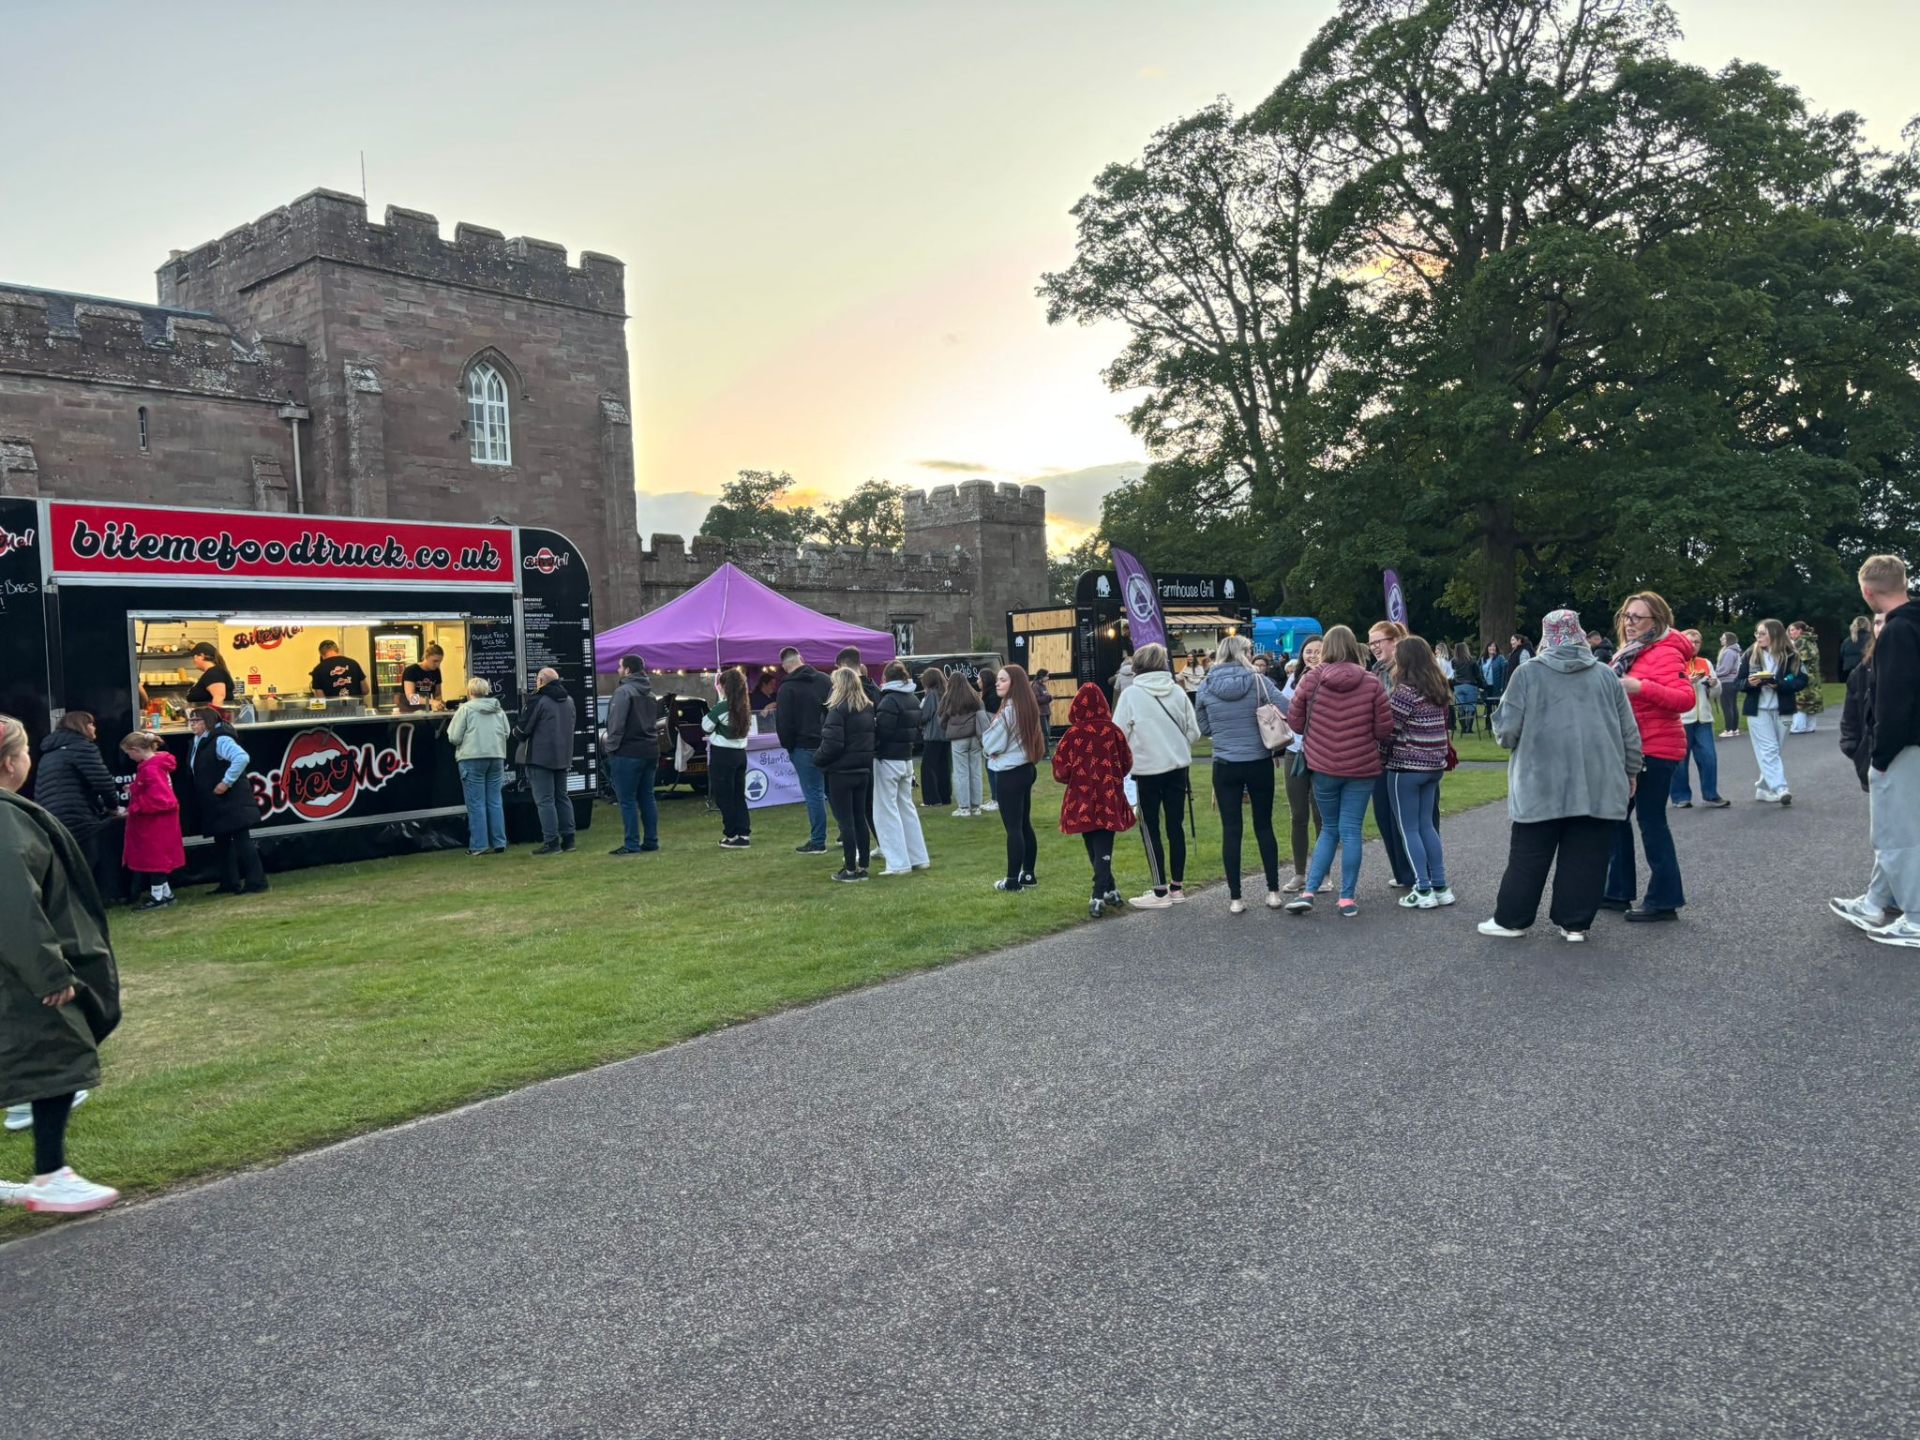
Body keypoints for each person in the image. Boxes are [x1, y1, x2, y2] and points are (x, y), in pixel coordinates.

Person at [0, 713, 123, 1215]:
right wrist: (50, 972)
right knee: (55, 1054)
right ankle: (51, 1173)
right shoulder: (7, 818)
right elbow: (13, 902)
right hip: (20, 974)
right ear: (11, 763)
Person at [1478, 612, 1643, 942]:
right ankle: (1575, 923)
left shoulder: (1527, 674)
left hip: (1541, 781)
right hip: (1598, 778)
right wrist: (1632, 770)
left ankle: (1512, 920)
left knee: (1528, 855)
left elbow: (1507, 732)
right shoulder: (1605, 676)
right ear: (1580, 633)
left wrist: (1503, 729)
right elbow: (1629, 731)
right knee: (1588, 855)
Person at [1832, 555, 1920, 946]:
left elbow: (1894, 699)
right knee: (1899, 829)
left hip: (1904, 744)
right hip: (1913, 742)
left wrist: (1879, 755)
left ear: (1867, 591)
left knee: (1896, 834)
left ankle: (1916, 918)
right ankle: (1874, 901)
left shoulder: (1898, 631)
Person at [1284, 625, 1392, 918]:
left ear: (1328, 647)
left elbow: (1294, 724)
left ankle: (1309, 891)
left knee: (1329, 829)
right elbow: (1384, 729)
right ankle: (1346, 897)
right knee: (1351, 830)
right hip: (1361, 766)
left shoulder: (1311, 680)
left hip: (1324, 767)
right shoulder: (1371, 682)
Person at [1600, 591, 1694, 922]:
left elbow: (1685, 699)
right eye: (1626, 616)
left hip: (1656, 749)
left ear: (1658, 621)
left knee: (1651, 822)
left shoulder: (1665, 653)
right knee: (1615, 818)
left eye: (1638, 618)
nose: (1629, 623)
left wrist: (1640, 687)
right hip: (1633, 747)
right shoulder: (1631, 652)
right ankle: (1617, 891)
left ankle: (1664, 900)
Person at [1194, 634, 1285, 913]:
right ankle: (1272, 891)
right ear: (1245, 652)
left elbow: (1204, 728)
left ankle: (1236, 898)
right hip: (1258, 760)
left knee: (1231, 830)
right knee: (1264, 826)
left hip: (1224, 764)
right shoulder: (1259, 681)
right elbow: (1289, 708)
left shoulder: (1206, 685)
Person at [1111, 643, 1201, 908]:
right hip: (1177, 768)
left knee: (1151, 829)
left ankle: (1160, 889)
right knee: (1176, 826)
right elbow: (1194, 732)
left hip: (1147, 769)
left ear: (1137, 665)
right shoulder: (1176, 691)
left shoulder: (1131, 695)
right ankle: (1177, 887)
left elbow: (1119, 735)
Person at [1384, 636, 1455, 909]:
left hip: (1406, 767)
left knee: (1409, 829)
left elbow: (1390, 730)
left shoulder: (1404, 692)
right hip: (1434, 766)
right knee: (1427, 826)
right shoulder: (1438, 689)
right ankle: (1440, 884)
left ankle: (1422, 888)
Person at [1053, 682, 1134, 918]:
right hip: (1109, 794)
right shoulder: (1114, 732)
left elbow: (1059, 771)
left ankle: (1098, 894)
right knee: (1103, 844)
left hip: (1082, 797)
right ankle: (1110, 890)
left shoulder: (1073, 735)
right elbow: (1127, 762)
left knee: (1092, 843)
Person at [34, 711, 125, 904]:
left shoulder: (50, 751)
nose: (94, 728)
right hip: (76, 815)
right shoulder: (82, 748)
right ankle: (93, 901)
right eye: (91, 724)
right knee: (88, 860)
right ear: (81, 726)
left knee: (67, 861)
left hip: (53, 814)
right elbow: (103, 782)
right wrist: (113, 807)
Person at [982, 664, 1048, 892]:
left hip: (1010, 772)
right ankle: (1027, 874)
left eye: (1003, 680)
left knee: (1014, 827)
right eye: (998, 680)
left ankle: (1012, 881)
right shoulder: (1025, 706)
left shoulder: (1010, 710)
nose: (998, 684)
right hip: (1025, 768)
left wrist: (989, 748)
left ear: (1014, 683)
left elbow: (990, 743)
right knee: (1023, 823)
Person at [187, 707, 267, 894]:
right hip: (215, 799)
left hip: (231, 797)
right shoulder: (197, 741)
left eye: (197, 720)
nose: (193, 724)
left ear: (207, 721)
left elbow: (241, 757)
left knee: (241, 839)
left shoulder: (221, 739)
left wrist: (226, 782)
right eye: (191, 720)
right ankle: (229, 882)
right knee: (221, 840)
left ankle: (256, 881)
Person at [1365, 620, 1417, 888]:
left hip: (1406, 754)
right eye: (1371, 643)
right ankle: (1400, 872)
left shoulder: (1408, 672)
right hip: (1380, 754)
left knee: (1407, 819)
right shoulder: (1376, 671)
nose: (1374, 647)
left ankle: (1415, 873)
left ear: (1395, 641)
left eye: (1379, 642)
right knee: (1384, 814)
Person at [813, 665, 875, 882]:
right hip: (862, 770)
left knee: (845, 822)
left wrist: (817, 759)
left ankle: (850, 868)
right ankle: (863, 865)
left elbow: (832, 745)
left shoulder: (837, 710)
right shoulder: (867, 709)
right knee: (860, 819)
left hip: (841, 771)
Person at [872, 661, 930, 877]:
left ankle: (897, 863)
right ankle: (918, 858)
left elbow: (883, 733)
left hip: (888, 760)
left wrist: (873, 746)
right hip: (906, 759)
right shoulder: (912, 698)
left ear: (886, 678)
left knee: (886, 811)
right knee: (906, 808)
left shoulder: (889, 700)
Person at [1743, 619, 1808, 805]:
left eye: (1762, 633)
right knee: (1769, 750)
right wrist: (1750, 683)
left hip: (1783, 709)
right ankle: (1781, 788)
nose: (1758, 637)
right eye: (1757, 633)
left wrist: (1780, 684)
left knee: (1774, 751)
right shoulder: (1750, 654)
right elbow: (1739, 682)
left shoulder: (1791, 655)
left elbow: (1802, 680)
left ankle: (1763, 789)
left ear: (1775, 634)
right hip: (1758, 710)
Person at [775, 647, 833, 855]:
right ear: (802, 659)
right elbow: (833, 711)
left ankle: (818, 841)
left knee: (814, 794)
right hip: (826, 743)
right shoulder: (824, 680)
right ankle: (847, 832)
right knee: (831, 791)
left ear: (784, 665)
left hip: (803, 745)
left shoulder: (786, 689)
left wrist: (788, 745)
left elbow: (784, 722)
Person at [602, 655, 661, 855]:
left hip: (627, 752)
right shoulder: (651, 694)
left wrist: (610, 748)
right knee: (647, 796)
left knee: (627, 800)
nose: (617, 670)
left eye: (620, 667)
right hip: (650, 750)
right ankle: (651, 840)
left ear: (627, 670)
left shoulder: (623, 692)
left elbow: (616, 725)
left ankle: (631, 843)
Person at [1278, 636, 1324, 892]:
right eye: (1309, 651)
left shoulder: (1329, 678)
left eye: (1318, 651)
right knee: (1298, 815)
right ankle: (1299, 873)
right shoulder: (1292, 680)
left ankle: (1323, 872)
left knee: (1321, 815)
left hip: (1320, 752)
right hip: (1295, 752)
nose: (1313, 655)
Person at [119, 730, 183, 909]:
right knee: (159, 858)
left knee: (155, 859)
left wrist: (133, 808)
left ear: (136, 749)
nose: (129, 757)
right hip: (164, 822)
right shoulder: (158, 764)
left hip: (155, 823)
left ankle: (158, 898)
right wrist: (135, 788)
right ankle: (166, 894)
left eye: (128, 753)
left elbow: (161, 799)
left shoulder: (150, 769)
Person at [449, 677, 512, 855]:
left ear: (469, 692)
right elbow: (506, 733)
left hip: (471, 758)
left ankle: (479, 845)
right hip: (496, 756)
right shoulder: (498, 710)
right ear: (487, 691)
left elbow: (454, 737)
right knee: (495, 801)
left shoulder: (465, 710)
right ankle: (499, 842)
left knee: (476, 803)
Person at [519, 666, 577, 855]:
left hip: (540, 756)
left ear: (541, 681)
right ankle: (569, 839)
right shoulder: (569, 700)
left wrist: (515, 733)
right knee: (562, 797)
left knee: (545, 800)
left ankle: (551, 842)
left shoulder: (538, 700)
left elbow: (523, 730)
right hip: (563, 754)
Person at [1668, 628, 1729, 810]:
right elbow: (1669, 689)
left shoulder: (1705, 663)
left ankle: (1711, 794)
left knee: (1709, 757)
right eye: (1690, 641)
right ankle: (1680, 797)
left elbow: (1716, 694)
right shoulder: (1673, 662)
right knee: (1680, 761)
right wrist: (1688, 682)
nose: (1693, 645)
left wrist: (1714, 684)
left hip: (1703, 718)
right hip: (1681, 719)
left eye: (1697, 642)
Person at [701, 667, 756, 849]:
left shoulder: (723, 707)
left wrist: (718, 701)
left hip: (723, 755)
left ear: (726, 686)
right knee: (738, 795)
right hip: (740, 754)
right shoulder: (745, 705)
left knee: (724, 796)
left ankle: (732, 834)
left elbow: (706, 726)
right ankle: (743, 832)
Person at [1839, 612, 1885, 797]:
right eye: (1878, 622)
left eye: (1889, 621)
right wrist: (1855, 748)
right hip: (1875, 764)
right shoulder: (1861, 673)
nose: (1882, 627)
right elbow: (1850, 718)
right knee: (1884, 824)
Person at [940, 670, 987, 817]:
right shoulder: (975, 696)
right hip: (975, 736)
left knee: (961, 772)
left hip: (958, 738)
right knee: (975, 771)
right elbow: (982, 714)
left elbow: (941, 716)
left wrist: (946, 726)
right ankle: (976, 806)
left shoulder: (949, 697)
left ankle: (964, 807)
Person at [918, 668, 953, 809]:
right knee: (943, 768)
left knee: (928, 768)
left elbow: (924, 716)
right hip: (945, 735)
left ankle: (931, 799)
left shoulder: (931, 695)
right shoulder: (945, 694)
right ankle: (945, 797)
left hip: (933, 736)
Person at [1788, 622, 1824, 733]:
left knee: (1800, 701)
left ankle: (1798, 727)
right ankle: (1810, 726)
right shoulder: (1812, 641)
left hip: (1802, 675)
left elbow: (1797, 660)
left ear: (1800, 630)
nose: (1791, 633)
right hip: (1813, 676)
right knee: (1811, 701)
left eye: (1793, 630)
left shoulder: (1800, 642)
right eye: (1790, 630)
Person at [977, 665, 1002, 812]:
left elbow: (991, 718)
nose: (977, 681)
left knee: (992, 767)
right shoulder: (988, 695)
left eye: (979, 678)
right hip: (990, 735)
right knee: (990, 767)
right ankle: (994, 797)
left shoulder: (992, 697)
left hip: (993, 736)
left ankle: (997, 799)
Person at [184, 641, 234, 709]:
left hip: (211, 718)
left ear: (202, 656)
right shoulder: (213, 672)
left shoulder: (214, 673)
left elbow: (219, 698)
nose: (193, 661)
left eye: (194, 657)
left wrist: (214, 717)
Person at [1714, 630, 1744, 737]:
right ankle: (1735, 729)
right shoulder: (1735, 651)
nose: (1721, 639)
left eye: (1723, 638)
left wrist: (1714, 673)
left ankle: (1729, 729)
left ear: (1728, 640)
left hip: (1726, 681)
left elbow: (1725, 669)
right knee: (1733, 705)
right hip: (1733, 681)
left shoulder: (1728, 652)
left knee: (1726, 706)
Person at [401, 644, 446, 712]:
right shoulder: (411, 670)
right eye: (435, 661)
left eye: (440, 661)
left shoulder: (436, 671)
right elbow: (411, 698)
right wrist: (432, 702)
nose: (438, 664)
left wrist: (439, 704)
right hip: (408, 710)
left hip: (426, 710)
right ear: (426, 657)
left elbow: (438, 694)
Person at [1839, 616, 1871, 683]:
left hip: (1848, 672)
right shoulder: (1870, 639)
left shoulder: (1846, 641)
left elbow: (1841, 658)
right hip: (1865, 670)